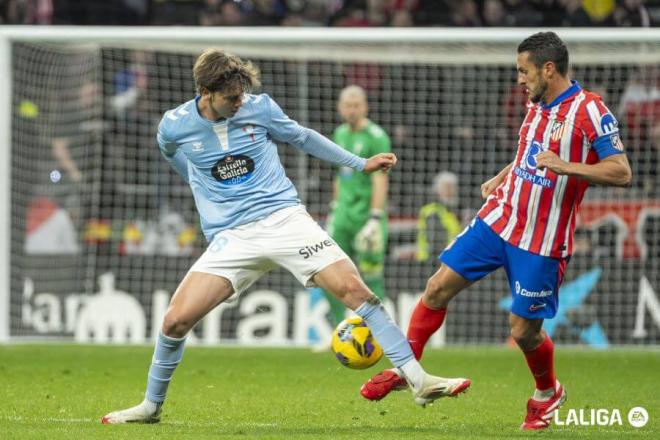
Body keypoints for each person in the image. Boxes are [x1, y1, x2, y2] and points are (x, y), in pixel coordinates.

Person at [101, 49, 470, 424]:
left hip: (285, 219)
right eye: (232, 97)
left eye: (242, 95)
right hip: (233, 237)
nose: (239, 102)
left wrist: (360, 164)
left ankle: (418, 380)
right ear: (206, 91)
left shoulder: (258, 108)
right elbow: (169, 151)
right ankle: (150, 406)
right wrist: (197, 182)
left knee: (356, 291)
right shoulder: (175, 124)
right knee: (175, 321)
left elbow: (303, 137)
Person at [359, 32, 632, 431]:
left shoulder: (590, 110)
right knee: (436, 287)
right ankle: (408, 368)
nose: (520, 80)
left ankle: (547, 392)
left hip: (541, 239)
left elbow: (621, 171)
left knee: (523, 332)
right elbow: (529, 155)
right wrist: (502, 176)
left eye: (524, 71)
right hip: (499, 218)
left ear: (548, 68)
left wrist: (567, 167)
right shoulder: (536, 105)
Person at [319, 85, 391, 332]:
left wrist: (375, 217)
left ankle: (380, 331)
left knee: (371, 276)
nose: (351, 109)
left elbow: (380, 178)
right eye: (347, 105)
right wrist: (334, 207)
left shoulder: (376, 136)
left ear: (365, 107)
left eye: (356, 105)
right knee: (327, 270)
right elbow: (340, 175)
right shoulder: (339, 133)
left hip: (367, 215)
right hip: (342, 215)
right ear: (340, 108)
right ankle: (338, 329)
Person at [415, 171, 461, 263]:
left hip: (444, 261)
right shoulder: (433, 211)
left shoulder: (448, 211)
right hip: (433, 262)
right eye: (446, 187)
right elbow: (435, 242)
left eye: (452, 187)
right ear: (437, 190)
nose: (450, 191)